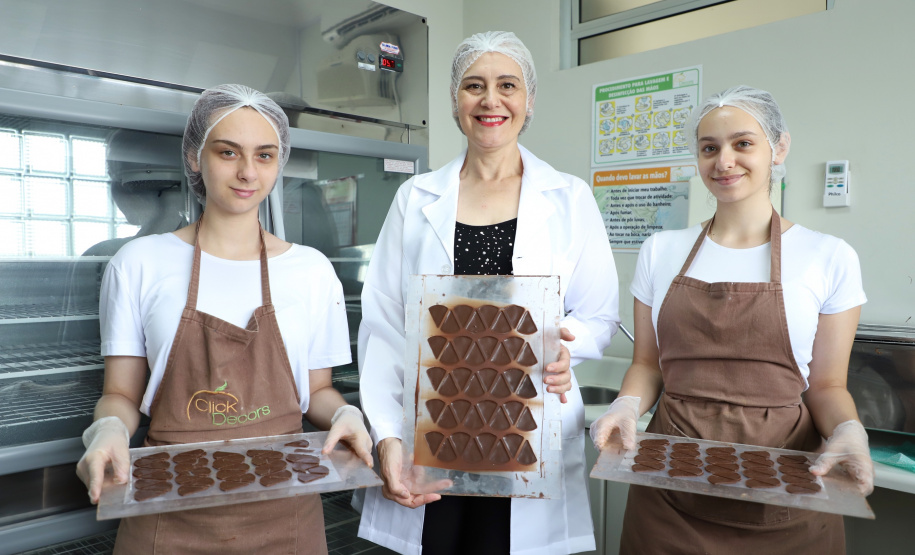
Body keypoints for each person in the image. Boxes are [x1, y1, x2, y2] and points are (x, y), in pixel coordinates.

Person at [75, 84, 373, 554]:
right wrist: (110, 429)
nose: (247, 172)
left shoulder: (311, 270)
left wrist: (343, 412)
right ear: (195, 157)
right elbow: (120, 394)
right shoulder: (139, 263)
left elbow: (316, 390)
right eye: (228, 151)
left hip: (286, 515)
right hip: (167, 515)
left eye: (265, 155)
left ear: (280, 162)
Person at [357, 31, 620, 555]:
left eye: (507, 85)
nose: (491, 100)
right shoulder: (416, 198)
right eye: (474, 86)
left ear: (528, 99)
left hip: (526, 434)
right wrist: (388, 435)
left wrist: (568, 345)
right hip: (433, 434)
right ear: (456, 99)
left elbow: (598, 315)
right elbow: (385, 326)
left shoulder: (569, 198)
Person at [590, 85, 874, 554]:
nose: (724, 161)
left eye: (743, 143)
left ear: (778, 148)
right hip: (669, 489)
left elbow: (826, 387)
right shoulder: (661, 251)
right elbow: (648, 364)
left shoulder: (829, 257)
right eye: (709, 148)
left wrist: (848, 430)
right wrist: (626, 405)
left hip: (784, 490)